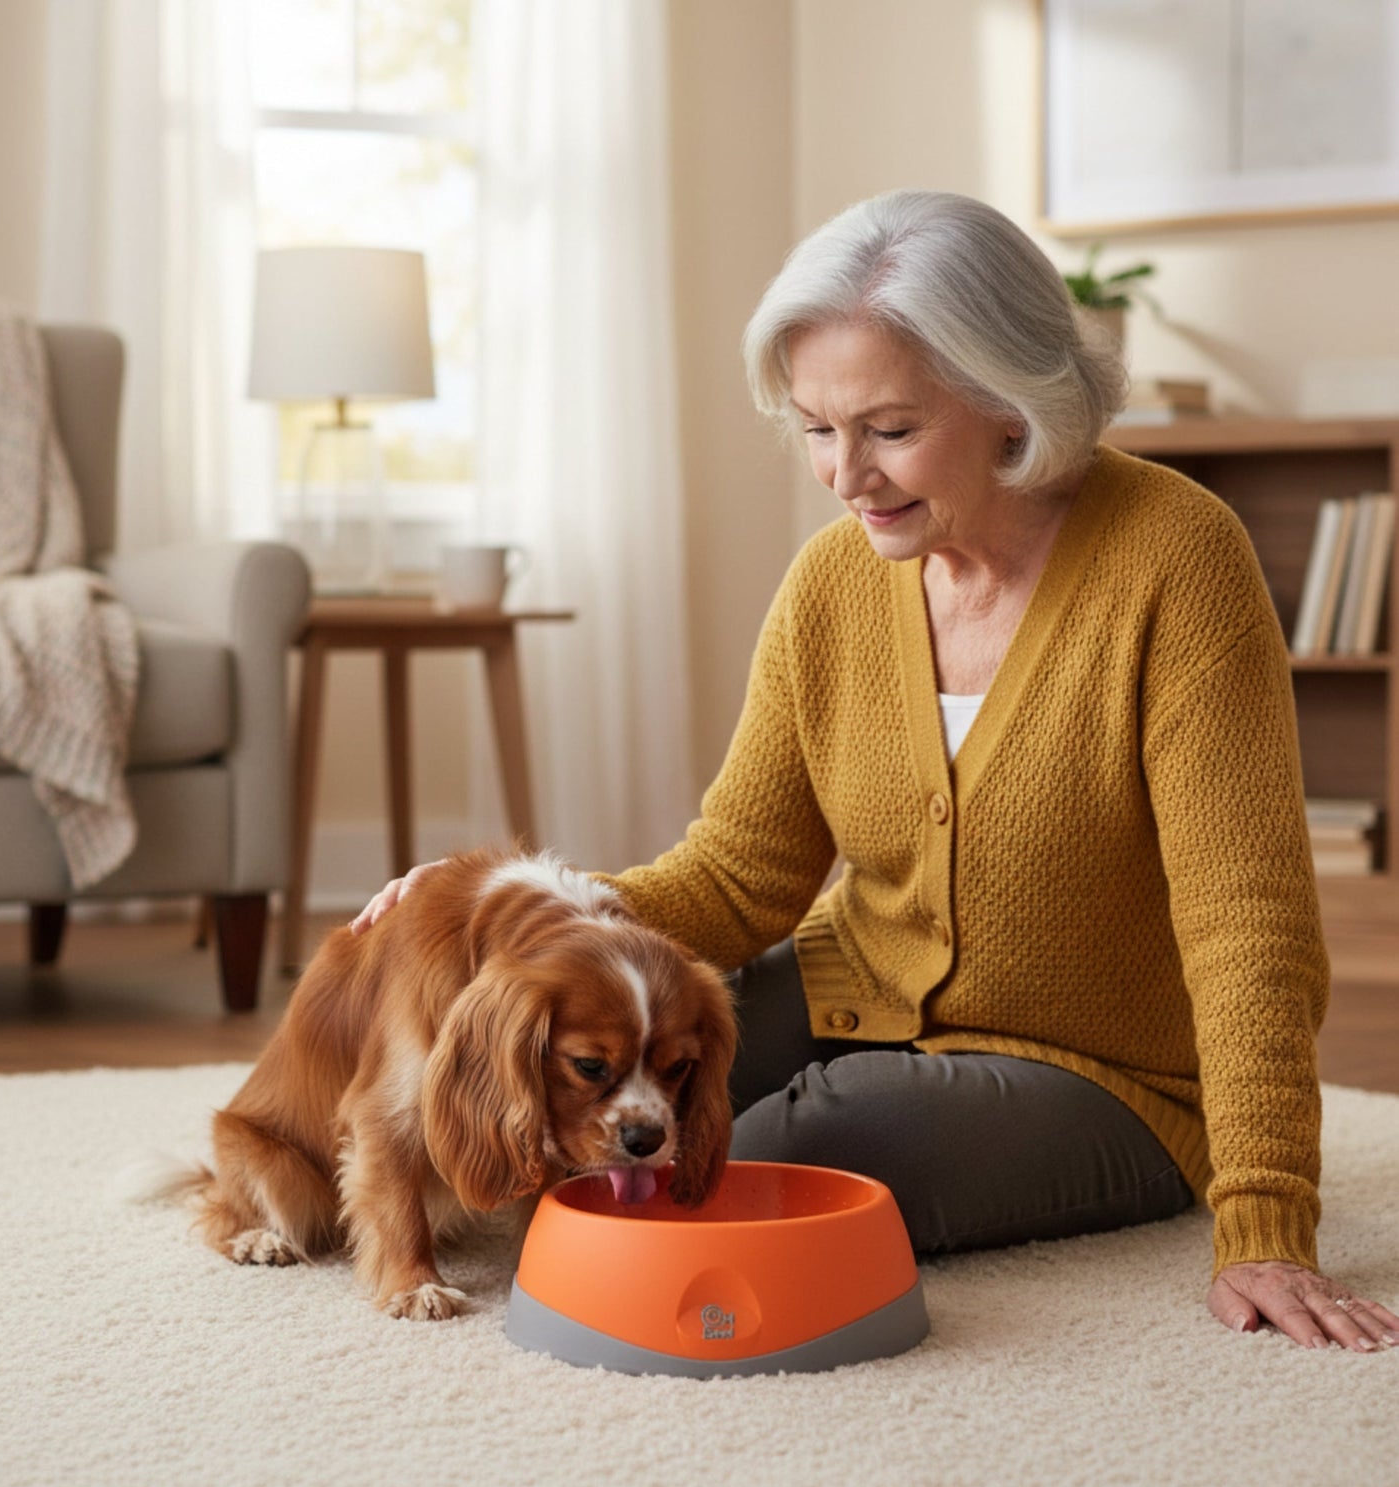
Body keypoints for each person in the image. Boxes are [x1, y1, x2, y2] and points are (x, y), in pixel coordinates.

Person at [353, 189, 1398, 1353]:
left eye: (889, 430)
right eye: (815, 428)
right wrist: (521, 927)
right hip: (860, 985)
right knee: (638, 1060)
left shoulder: (1178, 561)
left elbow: (1246, 921)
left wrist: (1265, 1217)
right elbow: (740, 876)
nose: (846, 475)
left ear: (1013, 404)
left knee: (772, 1151)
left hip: (1109, 1077)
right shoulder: (832, 584)